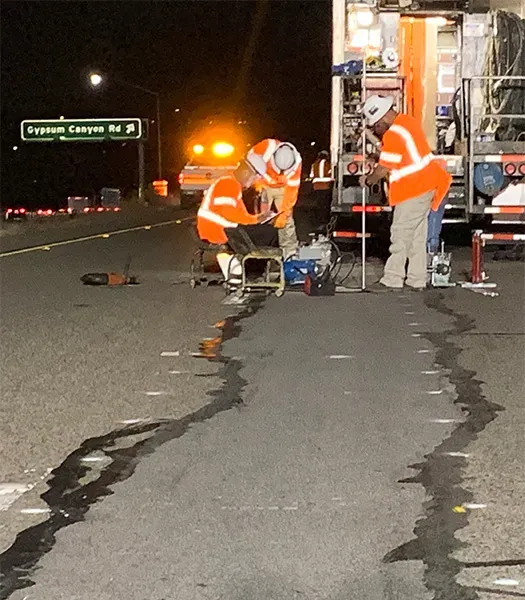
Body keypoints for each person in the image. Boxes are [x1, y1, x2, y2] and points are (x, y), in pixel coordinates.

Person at [359, 95, 452, 291]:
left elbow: (384, 168)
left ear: (383, 117)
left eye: (375, 125)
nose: (376, 129)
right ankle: (416, 279)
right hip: (426, 185)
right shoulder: (408, 122)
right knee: (417, 236)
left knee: (400, 234)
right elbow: (402, 156)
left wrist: (368, 180)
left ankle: (392, 278)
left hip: (413, 189)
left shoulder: (394, 134)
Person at [197, 155, 277, 281]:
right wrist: (256, 220)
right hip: (219, 230)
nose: (253, 183)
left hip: (222, 228)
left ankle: (251, 271)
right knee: (270, 232)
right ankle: (254, 271)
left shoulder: (231, 183)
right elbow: (228, 213)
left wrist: (258, 218)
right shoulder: (228, 184)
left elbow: (238, 215)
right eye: (254, 178)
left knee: (266, 230)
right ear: (246, 173)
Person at [247, 139, 302, 259]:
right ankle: (249, 249)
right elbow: (248, 163)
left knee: (286, 221)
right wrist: (256, 181)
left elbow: (291, 194)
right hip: (262, 184)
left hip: (282, 188)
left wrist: (284, 214)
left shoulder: (296, 164)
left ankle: (289, 253)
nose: (280, 173)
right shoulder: (265, 148)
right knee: (258, 217)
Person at [310, 150, 333, 226]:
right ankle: (325, 221)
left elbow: (311, 176)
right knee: (326, 205)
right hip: (326, 187)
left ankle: (319, 221)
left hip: (316, 187)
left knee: (319, 205)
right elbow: (332, 175)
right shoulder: (329, 164)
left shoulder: (314, 164)